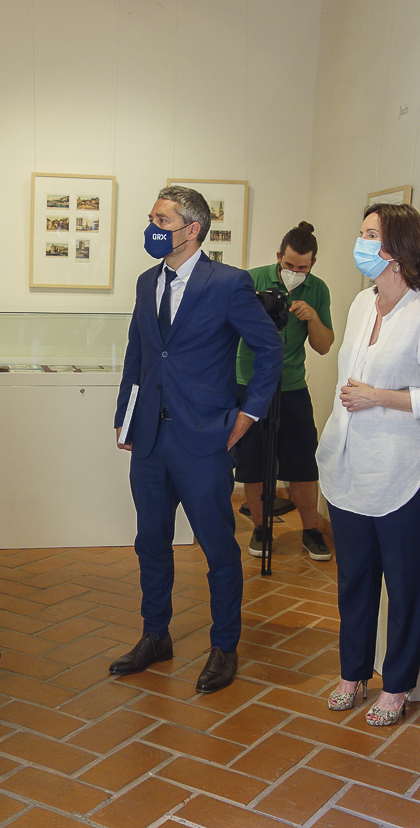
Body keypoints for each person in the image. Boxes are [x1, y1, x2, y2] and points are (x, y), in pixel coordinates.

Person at [112, 185, 283, 693]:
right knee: (150, 543)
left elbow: (269, 350)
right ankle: (155, 635)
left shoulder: (229, 284)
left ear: (191, 229)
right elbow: (138, 354)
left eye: (162, 220)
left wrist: (248, 414)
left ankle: (224, 645)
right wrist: (126, 417)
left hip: (204, 439)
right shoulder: (147, 282)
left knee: (217, 548)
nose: (152, 227)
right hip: (149, 439)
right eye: (152, 218)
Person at [315, 203, 420, 727]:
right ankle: (352, 673)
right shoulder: (359, 304)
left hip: (406, 472)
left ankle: (396, 685)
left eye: (370, 235)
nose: (360, 243)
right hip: (351, 464)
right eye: (360, 232)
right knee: (353, 578)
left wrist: (381, 397)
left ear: (396, 249)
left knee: (405, 584)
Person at [234, 221, 335, 561]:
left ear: (312, 264)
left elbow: (323, 346)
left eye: (302, 267)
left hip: (292, 385)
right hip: (250, 382)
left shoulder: (317, 289)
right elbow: (229, 329)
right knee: (253, 461)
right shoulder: (252, 279)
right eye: (289, 265)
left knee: (303, 461)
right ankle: (262, 528)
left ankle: (311, 530)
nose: (295, 272)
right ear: (279, 257)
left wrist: (312, 319)